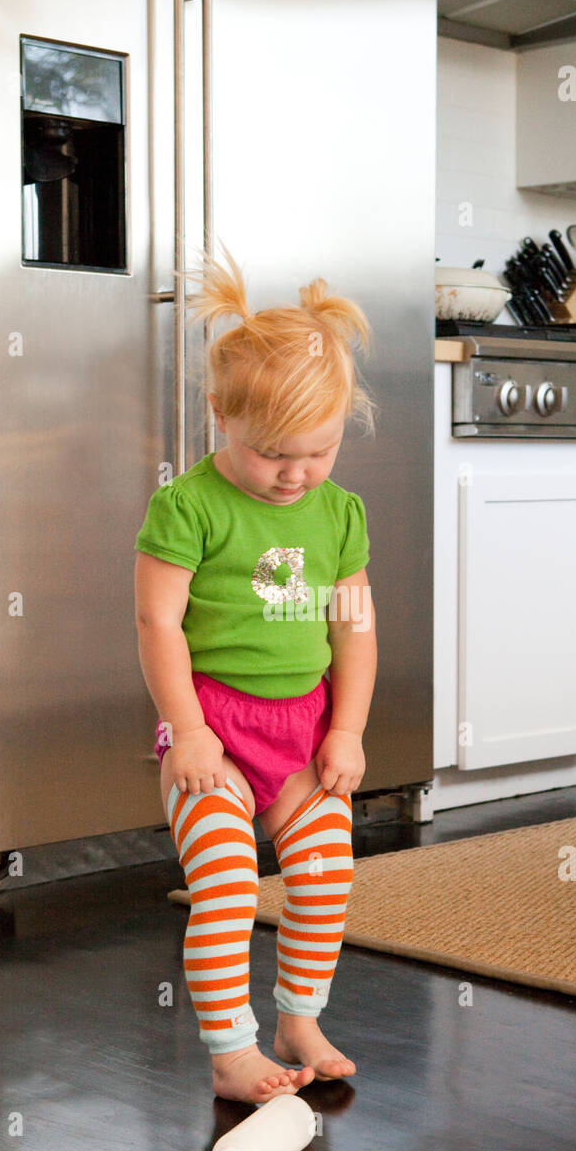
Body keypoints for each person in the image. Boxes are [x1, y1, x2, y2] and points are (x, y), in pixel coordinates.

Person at [134, 245, 377, 1104]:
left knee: (322, 874)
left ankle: (298, 1017)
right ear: (218, 416)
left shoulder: (337, 511)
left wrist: (344, 729)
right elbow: (157, 621)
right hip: (211, 730)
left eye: (318, 450)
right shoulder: (188, 505)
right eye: (274, 453)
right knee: (229, 880)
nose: (296, 473)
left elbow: (354, 630)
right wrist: (190, 730)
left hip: (303, 728)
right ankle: (231, 1051)